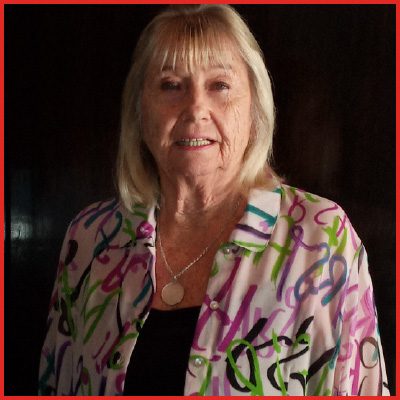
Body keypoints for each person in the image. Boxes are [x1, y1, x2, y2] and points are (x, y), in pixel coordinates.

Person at [38, 4, 389, 396]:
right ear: (139, 112)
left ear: (254, 109)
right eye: (171, 85)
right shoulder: (90, 239)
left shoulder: (321, 239)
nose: (195, 109)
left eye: (220, 85)